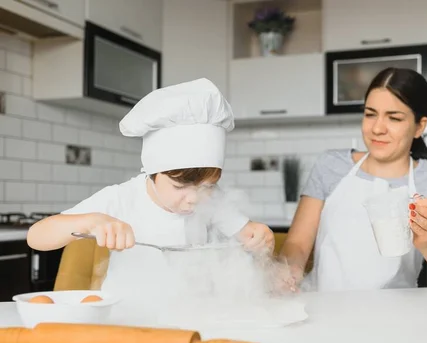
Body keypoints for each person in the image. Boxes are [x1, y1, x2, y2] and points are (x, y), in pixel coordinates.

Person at [280, 68, 427, 343]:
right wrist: (289, 270)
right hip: (326, 323)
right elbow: (298, 243)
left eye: (394, 117)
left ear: (420, 126)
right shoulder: (331, 167)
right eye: (370, 114)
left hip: (400, 330)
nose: (377, 128)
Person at [27, 78, 274, 313]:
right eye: (180, 187)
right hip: (127, 320)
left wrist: (262, 237)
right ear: (153, 172)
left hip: (195, 318)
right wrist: (91, 222)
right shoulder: (122, 198)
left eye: (207, 187)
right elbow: (37, 237)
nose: (194, 199)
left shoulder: (214, 201)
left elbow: (252, 234)